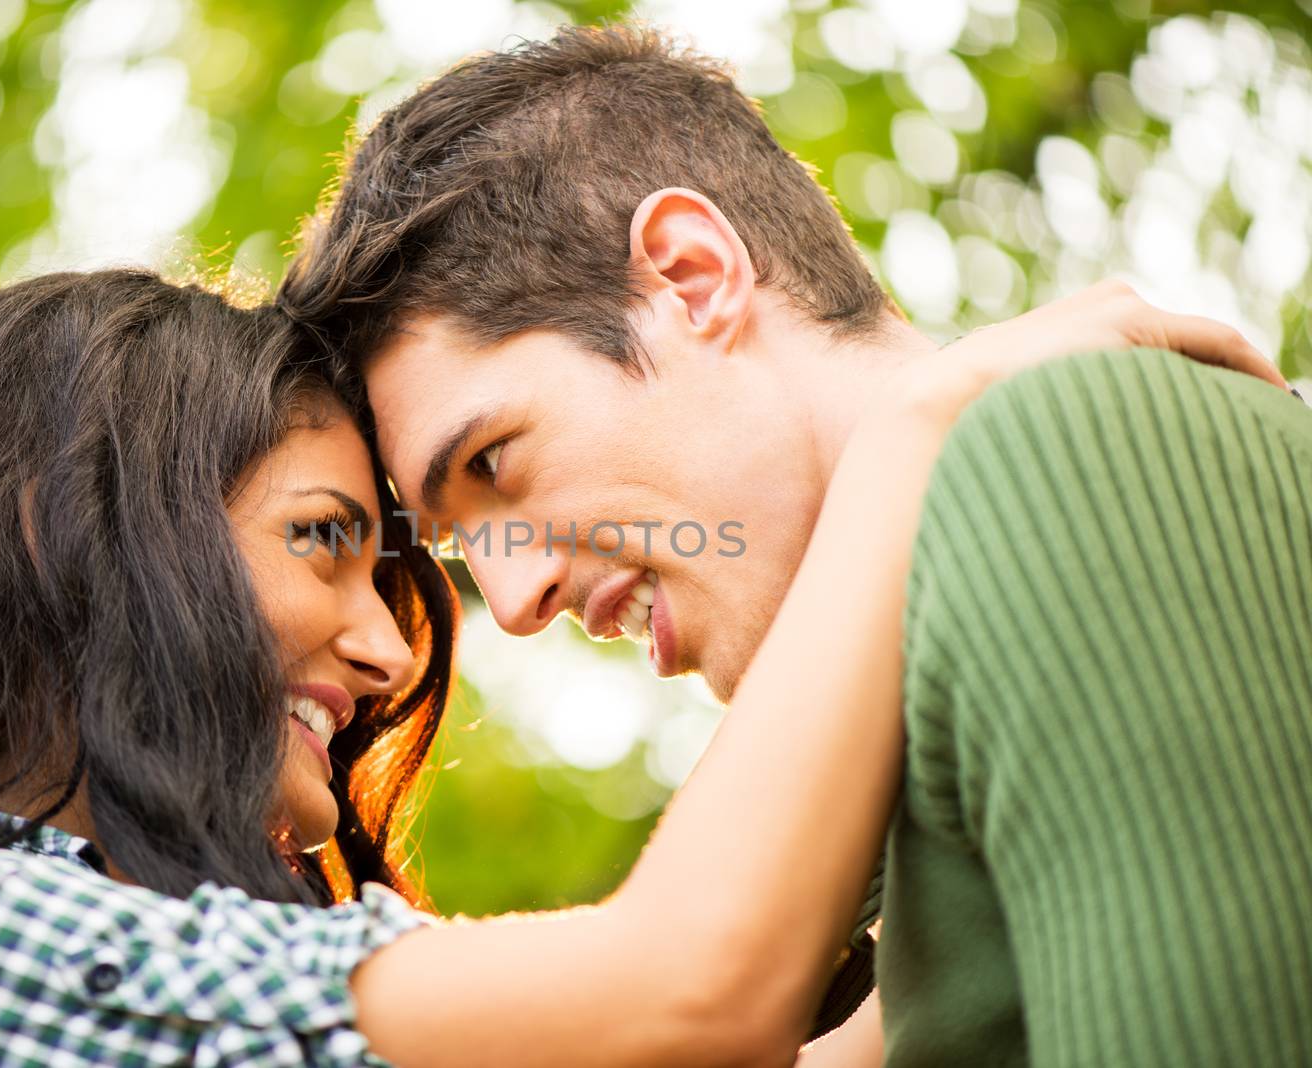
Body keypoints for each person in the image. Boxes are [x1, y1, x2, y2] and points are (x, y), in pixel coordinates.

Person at [0, 270, 1268, 1067]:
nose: (397, 649)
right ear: (67, 529)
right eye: (322, 538)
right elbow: (691, 992)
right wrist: (919, 436)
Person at [278, 24, 1312, 1067]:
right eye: (457, 546)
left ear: (691, 277)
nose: (511, 601)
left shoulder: (1060, 454)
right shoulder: (855, 833)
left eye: (494, 464)